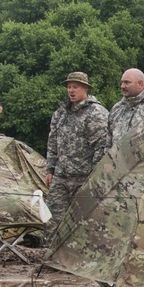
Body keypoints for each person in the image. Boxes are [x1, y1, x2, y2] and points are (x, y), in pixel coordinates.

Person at [45, 72, 109, 240]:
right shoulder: (60, 114)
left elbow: (101, 147)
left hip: (84, 177)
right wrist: (50, 169)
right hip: (61, 176)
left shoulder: (96, 113)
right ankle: (51, 255)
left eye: (75, 87)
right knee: (53, 219)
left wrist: (95, 176)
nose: (71, 91)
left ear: (85, 89)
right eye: (69, 87)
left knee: (85, 221)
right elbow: (52, 143)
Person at [108, 68, 144, 146]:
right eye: (121, 83)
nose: (122, 86)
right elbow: (108, 141)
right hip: (117, 157)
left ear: (140, 84)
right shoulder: (117, 109)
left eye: (127, 82)